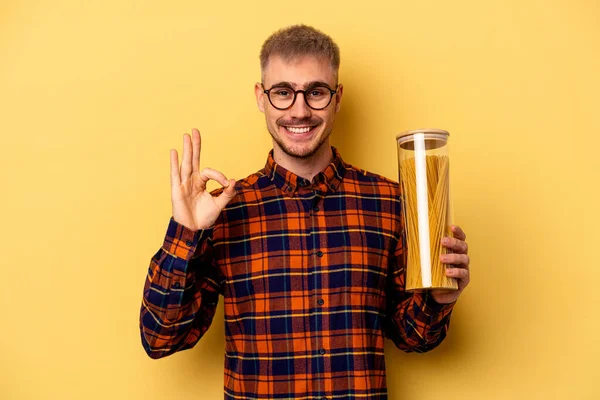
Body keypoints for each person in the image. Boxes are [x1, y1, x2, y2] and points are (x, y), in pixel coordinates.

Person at [139, 24, 470, 399]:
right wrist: (185, 232)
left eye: (316, 92)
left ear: (337, 97)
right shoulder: (223, 212)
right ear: (261, 98)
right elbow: (159, 338)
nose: (300, 111)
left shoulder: (390, 202)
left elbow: (413, 338)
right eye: (283, 92)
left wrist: (440, 298)